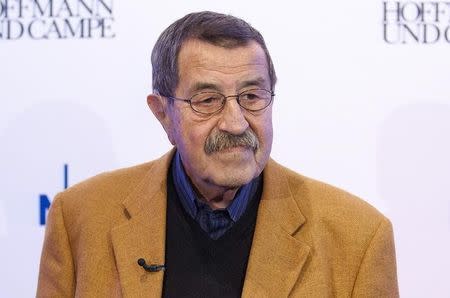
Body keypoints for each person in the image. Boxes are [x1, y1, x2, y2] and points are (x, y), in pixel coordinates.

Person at [37, 11, 399, 297]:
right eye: (207, 100)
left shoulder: (358, 238)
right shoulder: (80, 217)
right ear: (163, 113)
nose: (236, 123)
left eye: (252, 97)